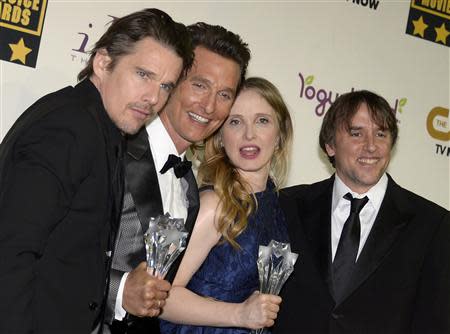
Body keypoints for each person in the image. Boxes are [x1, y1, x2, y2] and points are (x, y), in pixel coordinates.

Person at [0, 8, 193, 334]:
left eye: (165, 86)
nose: (153, 98)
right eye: (143, 75)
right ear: (103, 63)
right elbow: (11, 250)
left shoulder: (101, 128)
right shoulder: (70, 128)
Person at [104, 22, 251, 334]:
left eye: (224, 94)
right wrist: (119, 290)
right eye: (199, 85)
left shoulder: (190, 189)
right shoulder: (112, 150)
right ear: (173, 81)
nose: (209, 106)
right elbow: (55, 253)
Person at [274, 90, 450, 334]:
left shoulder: (433, 225)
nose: (371, 146)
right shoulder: (288, 204)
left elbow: (435, 321)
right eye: (356, 133)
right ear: (330, 145)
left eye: (381, 134)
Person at [159, 77, 294, 333]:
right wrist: (240, 314)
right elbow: (161, 297)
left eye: (262, 121)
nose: (249, 134)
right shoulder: (214, 205)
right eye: (235, 122)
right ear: (220, 137)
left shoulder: (273, 202)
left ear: (280, 135)